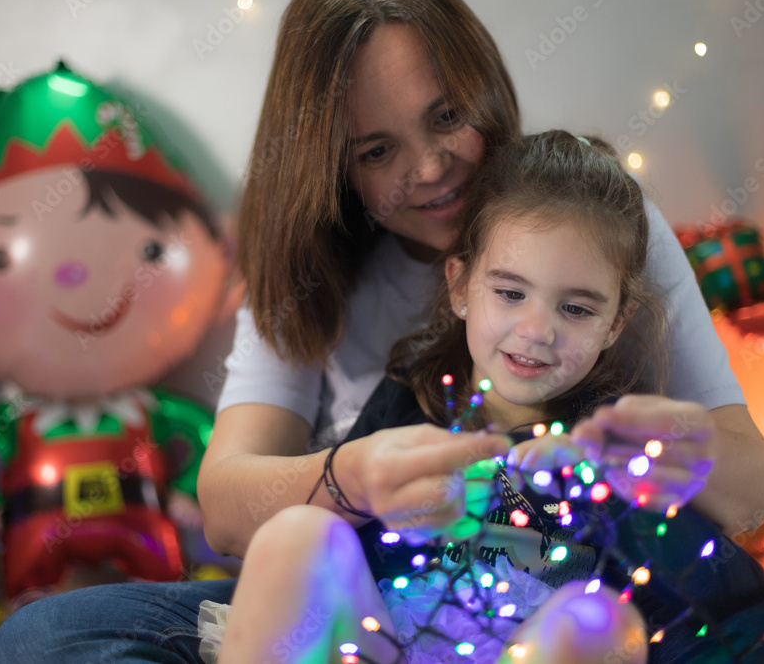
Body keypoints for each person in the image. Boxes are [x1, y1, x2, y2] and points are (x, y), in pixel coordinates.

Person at [0, 0, 764, 661]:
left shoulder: (599, 215)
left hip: (566, 603)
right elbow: (228, 507)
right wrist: (349, 479)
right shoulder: (337, 297)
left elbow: (746, 499)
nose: (431, 167)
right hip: (374, 594)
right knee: (47, 634)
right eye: (376, 149)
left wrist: (671, 459)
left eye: (446, 116)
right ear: (460, 287)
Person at [212, 130, 668, 663]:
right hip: (383, 640)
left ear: (615, 324)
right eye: (511, 293)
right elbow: (337, 542)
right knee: (297, 530)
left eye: (577, 310)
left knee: (601, 626)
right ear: (460, 287)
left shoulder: (609, 446)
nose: (537, 329)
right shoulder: (411, 401)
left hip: (518, 651)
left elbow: (662, 581)